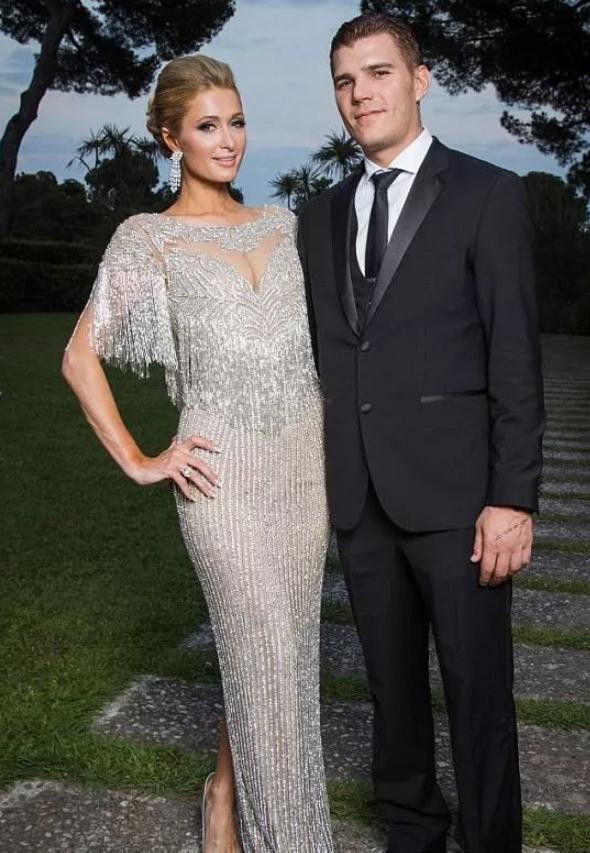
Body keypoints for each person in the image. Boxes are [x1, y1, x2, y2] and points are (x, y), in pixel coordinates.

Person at [62, 54, 334, 853]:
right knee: (266, 650)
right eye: (208, 126)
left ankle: (221, 795)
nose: (228, 140)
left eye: (237, 121)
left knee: (278, 659)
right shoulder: (148, 239)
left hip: (304, 473)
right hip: (221, 480)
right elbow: (79, 356)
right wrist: (140, 458)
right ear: (169, 137)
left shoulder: (284, 225)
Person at [297, 13, 545, 853]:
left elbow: (515, 355)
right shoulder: (318, 215)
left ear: (419, 78)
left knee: (478, 690)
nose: (360, 93)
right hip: (360, 495)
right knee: (390, 688)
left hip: (460, 500)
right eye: (345, 80)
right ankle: (411, 827)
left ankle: (491, 839)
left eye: (377, 73)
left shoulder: (486, 193)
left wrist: (513, 497)